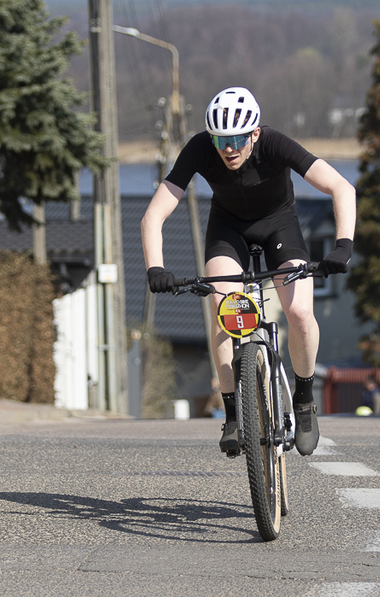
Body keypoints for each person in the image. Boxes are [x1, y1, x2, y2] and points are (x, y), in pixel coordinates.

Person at [141, 86, 356, 458]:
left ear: (255, 133)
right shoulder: (200, 148)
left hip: (279, 226)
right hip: (229, 230)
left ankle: (304, 401)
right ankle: (232, 414)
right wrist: (155, 267)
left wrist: (343, 246)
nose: (228, 149)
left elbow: (341, 187)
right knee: (222, 309)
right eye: (220, 140)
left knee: (299, 311)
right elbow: (153, 215)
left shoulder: (275, 144)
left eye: (237, 139)